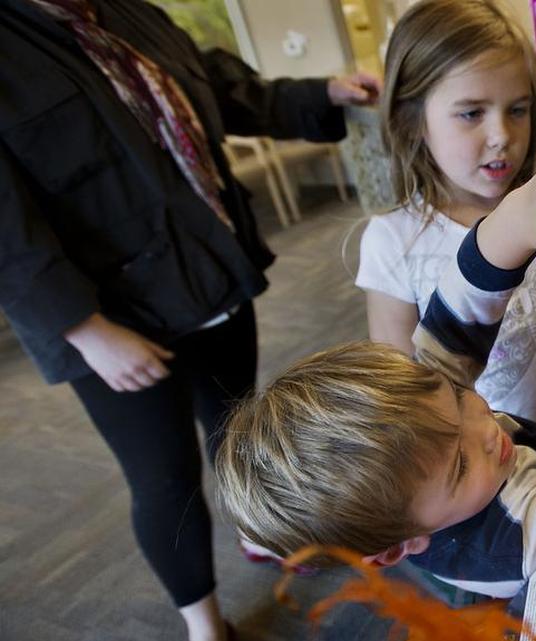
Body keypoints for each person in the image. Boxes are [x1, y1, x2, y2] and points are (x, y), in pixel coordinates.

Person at [0, 1, 380, 639]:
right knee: (164, 477)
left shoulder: (127, 13)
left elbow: (227, 92)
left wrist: (324, 90)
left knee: (235, 426)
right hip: (111, 318)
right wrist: (84, 330)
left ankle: (260, 530)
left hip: (208, 277)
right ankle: (205, 628)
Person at [217, 143, 536, 599]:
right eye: (460, 466)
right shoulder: (513, 548)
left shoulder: (421, 421)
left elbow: (461, 308)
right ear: (403, 546)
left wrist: (517, 220)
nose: (483, 425)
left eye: (457, 398)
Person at [356, 0, 536, 451]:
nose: (502, 135)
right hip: (499, 487)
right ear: (412, 118)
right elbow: (403, 406)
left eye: (517, 110)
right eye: (471, 113)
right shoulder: (391, 242)